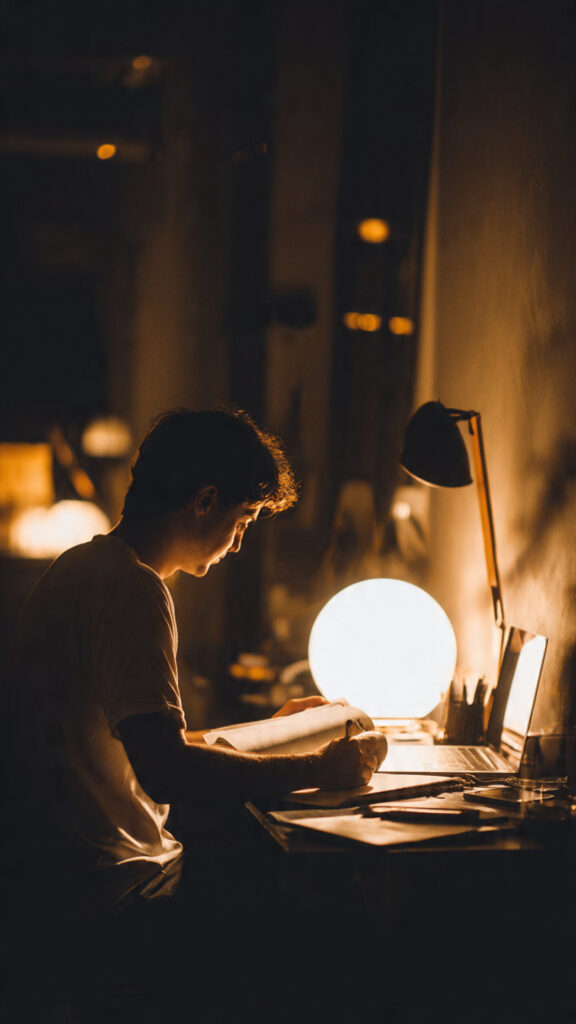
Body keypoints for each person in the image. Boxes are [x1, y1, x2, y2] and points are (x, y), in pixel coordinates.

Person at [3, 407, 386, 1016]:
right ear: (205, 500)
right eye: (244, 520)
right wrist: (318, 768)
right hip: (115, 894)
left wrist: (268, 731)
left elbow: (138, 740)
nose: (240, 542)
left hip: (67, 879)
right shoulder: (134, 589)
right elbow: (167, 771)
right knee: (341, 920)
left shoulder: (85, 566)